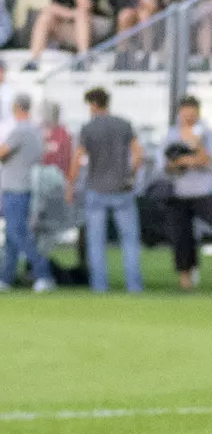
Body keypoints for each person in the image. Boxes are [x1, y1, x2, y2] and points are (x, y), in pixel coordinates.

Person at [70, 87, 145, 293]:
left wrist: (71, 185)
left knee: (96, 243)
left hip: (97, 188)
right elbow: (139, 154)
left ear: (93, 105)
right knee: (129, 241)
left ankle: (100, 287)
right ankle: (134, 286)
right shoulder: (124, 124)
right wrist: (131, 175)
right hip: (122, 188)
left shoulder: (88, 128)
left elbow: (77, 159)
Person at [163, 96, 212, 289]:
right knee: (182, 236)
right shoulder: (172, 135)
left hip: (204, 191)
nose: (189, 117)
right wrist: (187, 160)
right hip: (180, 193)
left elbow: (207, 160)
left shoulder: (206, 133)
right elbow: (168, 164)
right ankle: (186, 278)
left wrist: (194, 147)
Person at [0, 94, 55, 292]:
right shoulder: (34, 130)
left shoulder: (20, 131)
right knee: (12, 236)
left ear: (16, 107)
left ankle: (43, 273)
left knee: (18, 233)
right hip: (23, 185)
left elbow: (2, 152)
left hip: (15, 187)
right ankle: (5, 278)